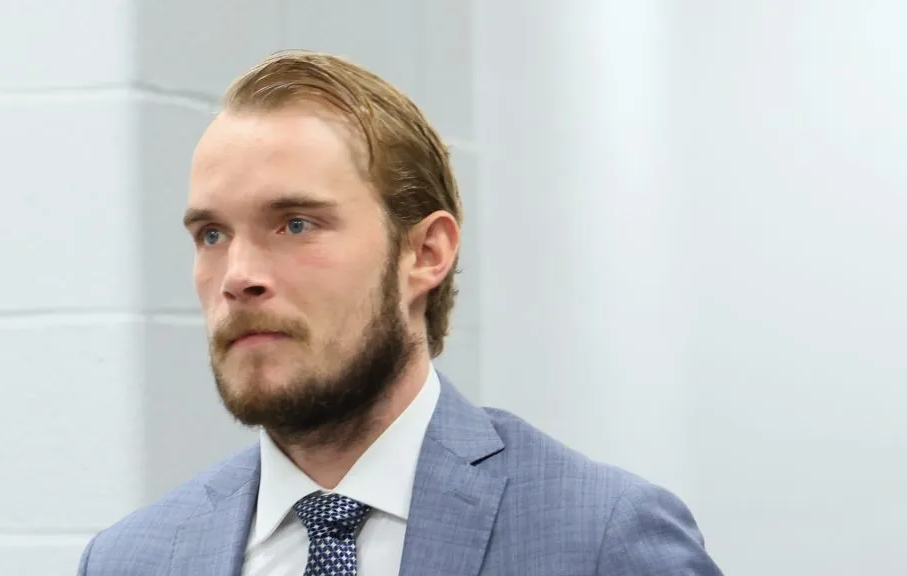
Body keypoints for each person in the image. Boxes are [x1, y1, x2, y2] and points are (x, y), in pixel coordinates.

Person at [77, 50, 724, 575]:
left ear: (426, 253)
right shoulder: (133, 559)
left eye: (296, 224)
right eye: (212, 235)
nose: (238, 276)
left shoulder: (601, 540)